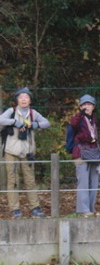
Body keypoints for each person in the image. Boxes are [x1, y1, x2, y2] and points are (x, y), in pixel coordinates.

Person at [0, 87, 51, 218]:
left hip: (28, 152)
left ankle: (35, 207)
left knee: (30, 180)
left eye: (26, 97)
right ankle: (14, 209)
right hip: (11, 151)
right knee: (13, 181)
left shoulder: (33, 113)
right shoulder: (11, 111)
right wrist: (14, 122)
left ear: (30, 100)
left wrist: (35, 125)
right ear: (17, 99)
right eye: (21, 97)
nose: (23, 99)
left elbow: (47, 123)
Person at [70, 94, 100, 215]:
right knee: (83, 182)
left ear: (93, 106)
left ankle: (91, 207)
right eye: (84, 104)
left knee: (94, 182)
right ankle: (83, 209)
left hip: (93, 152)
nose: (86, 106)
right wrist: (81, 114)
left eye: (89, 104)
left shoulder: (93, 118)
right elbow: (73, 124)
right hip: (80, 152)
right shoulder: (78, 118)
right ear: (80, 106)